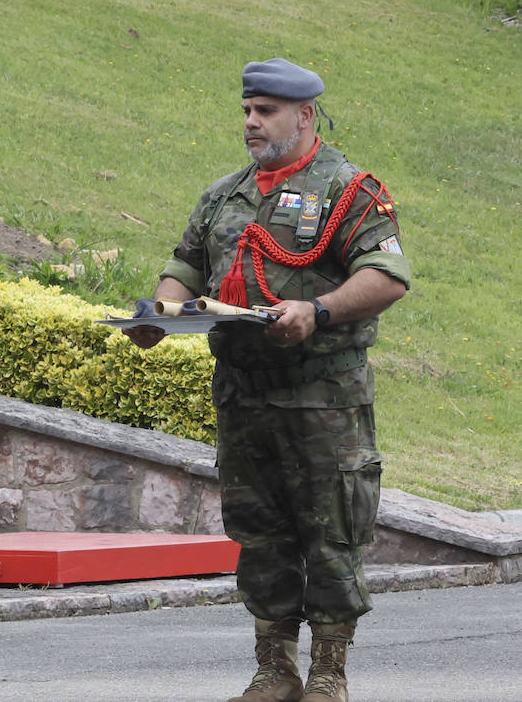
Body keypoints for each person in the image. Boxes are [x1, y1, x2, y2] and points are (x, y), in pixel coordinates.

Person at [124, 58, 408, 702]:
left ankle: (329, 669)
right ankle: (274, 667)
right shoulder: (226, 194)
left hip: (322, 397)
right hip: (244, 394)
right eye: (247, 111)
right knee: (260, 529)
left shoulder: (350, 190)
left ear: (305, 115)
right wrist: (157, 316)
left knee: (331, 527)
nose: (251, 123)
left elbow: (387, 276)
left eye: (266, 111)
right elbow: (187, 272)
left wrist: (318, 311)